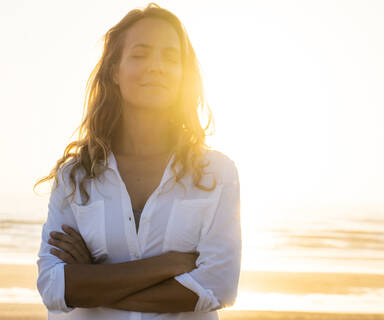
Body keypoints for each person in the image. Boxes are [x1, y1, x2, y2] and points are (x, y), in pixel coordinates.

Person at [33, 3, 242, 319]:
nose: (156, 66)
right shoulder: (75, 176)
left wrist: (93, 282)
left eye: (170, 57)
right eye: (140, 54)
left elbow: (219, 286)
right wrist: (167, 265)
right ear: (115, 71)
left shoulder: (216, 173)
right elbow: (53, 286)